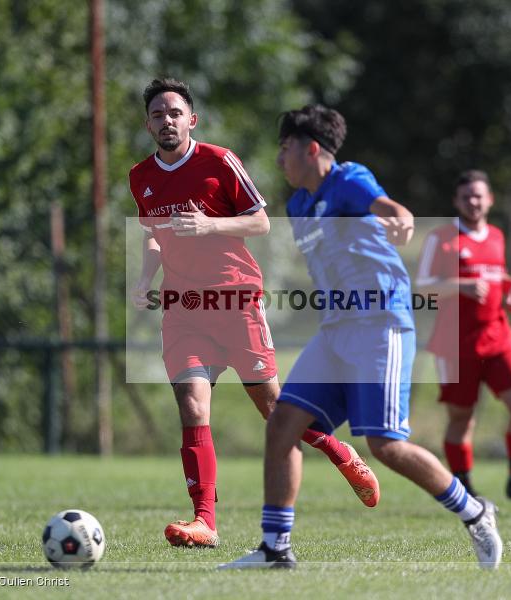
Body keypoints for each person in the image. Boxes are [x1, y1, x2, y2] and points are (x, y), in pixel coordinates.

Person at [220, 105, 502, 570]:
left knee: (385, 446)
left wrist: (401, 218)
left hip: (380, 326)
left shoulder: (349, 179)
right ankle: (275, 548)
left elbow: (390, 209)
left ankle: (474, 512)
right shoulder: (298, 206)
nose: (279, 159)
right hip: (336, 330)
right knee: (282, 425)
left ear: (312, 149)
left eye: (285, 148)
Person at [128, 79, 380, 548]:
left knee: (273, 409)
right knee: (192, 405)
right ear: (148, 125)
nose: (167, 121)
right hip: (184, 308)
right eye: (158, 114)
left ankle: (338, 450)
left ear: (191, 120)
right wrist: (144, 279)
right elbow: (153, 235)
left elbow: (261, 222)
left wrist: (208, 225)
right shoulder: (140, 176)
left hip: (234, 299)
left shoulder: (219, 162)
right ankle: (205, 521)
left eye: (175, 113)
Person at [415, 170, 511, 511]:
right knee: (462, 418)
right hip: (456, 344)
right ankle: (464, 489)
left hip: (498, 337)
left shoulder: (497, 237)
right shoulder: (442, 238)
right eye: (466, 197)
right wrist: (461, 286)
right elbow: (423, 286)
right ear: (456, 202)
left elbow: (496, 275)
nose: (472, 202)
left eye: (478, 195)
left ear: (490, 199)